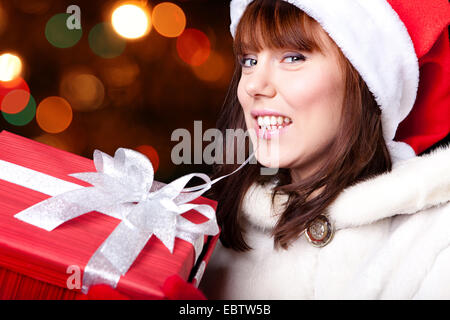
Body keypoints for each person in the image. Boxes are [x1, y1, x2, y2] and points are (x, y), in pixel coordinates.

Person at [199, 0, 450, 299]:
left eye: (292, 58)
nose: (254, 85)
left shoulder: (436, 239)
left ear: (364, 81)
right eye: (249, 60)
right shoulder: (209, 243)